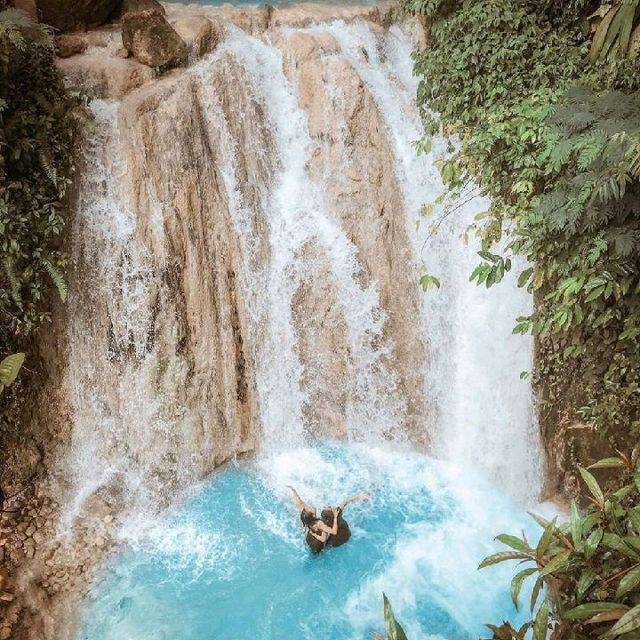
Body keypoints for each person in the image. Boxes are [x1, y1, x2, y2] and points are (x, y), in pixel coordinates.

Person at [287, 486, 370, 553]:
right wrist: (359, 496)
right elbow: (345, 501)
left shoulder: (306, 519)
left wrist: (294, 492)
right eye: (329, 508)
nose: (310, 506)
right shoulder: (326, 522)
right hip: (337, 539)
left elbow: (300, 504)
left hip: (311, 540)